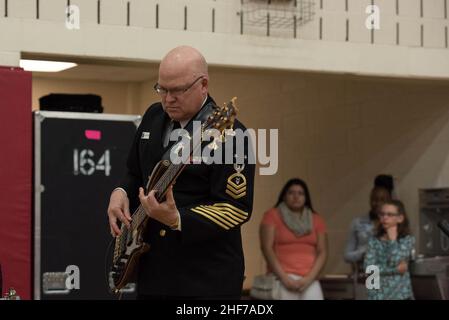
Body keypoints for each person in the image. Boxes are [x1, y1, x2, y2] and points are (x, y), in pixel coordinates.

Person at [107, 46, 255, 299]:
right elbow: (135, 170)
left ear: (203, 84)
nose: (167, 99)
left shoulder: (232, 135)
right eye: (162, 89)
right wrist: (120, 192)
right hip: (153, 269)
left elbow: (236, 208)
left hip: (204, 276)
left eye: (177, 90)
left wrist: (177, 218)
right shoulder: (154, 115)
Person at [259, 178, 327, 300]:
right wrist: (285, 278)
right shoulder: (272, 215)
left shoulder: (316, 219)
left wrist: (308, 279)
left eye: (300, 193)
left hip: (309, 279)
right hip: (281, 278)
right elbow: (266, 248)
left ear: (306, 197)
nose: (296, 197)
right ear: (284, 196)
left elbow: (322, 251)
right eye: (291, 193)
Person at [364, 200, 415, 300]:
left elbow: (394, 260)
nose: (385, 217)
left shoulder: (407, 239)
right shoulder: (374, 241)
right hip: (377, 295)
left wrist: (392, 240)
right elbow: (369, 269)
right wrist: (395, 270)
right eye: (382, 214)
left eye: (390, 214)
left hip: (401, 295)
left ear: (400, 218)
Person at [344, 175, 394, 267]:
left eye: (382, 200)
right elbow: (347, 256)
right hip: (364, 274)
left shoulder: (395, 225)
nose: (377, 203)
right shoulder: (357, 223)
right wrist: (362, 254)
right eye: (374, 200)